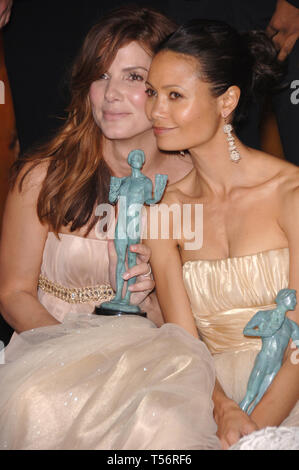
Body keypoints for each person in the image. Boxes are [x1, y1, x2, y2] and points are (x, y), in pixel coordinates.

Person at [0, 7, 220, 450]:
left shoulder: (193, 187)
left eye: (134, 77)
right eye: (101, 76)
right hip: (47, 350)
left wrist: (156, 297)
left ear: (166, 89)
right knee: (42, 404)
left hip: (155, 362)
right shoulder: (44, 176)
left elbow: (204, 316)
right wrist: (79, 358)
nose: (112, 94)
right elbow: (12, 294)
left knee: (161, 424)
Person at [144, 19, 299, 449]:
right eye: (152, 93)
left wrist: (254, 428)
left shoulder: (291, 193)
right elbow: (183, 340)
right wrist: (222, 408)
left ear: (227, 100)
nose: (155, 111)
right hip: (206, 392)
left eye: (175, 95)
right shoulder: (163, 209)